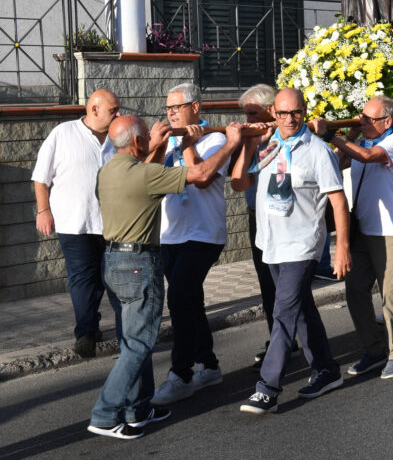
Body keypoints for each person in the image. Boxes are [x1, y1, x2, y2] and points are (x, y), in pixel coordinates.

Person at [88, 115, 241, 439]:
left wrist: (155, 147)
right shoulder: (144, 175)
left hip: (112, 261)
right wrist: (231, 142)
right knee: (138, 345)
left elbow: (147, 174)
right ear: (137, 142)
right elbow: (201, 174)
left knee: (132, 340)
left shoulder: (106, 171)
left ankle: (139, 408)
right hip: (138, 263)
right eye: (147, 135)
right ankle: (104, 415)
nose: (151, 138)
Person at [231, 89, 350, 414]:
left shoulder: (318, 151)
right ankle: (326, 369)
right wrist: (249, 145)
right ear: (273, 112)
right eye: (282, 113)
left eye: (295, 112)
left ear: (304, 111)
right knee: (300, 309)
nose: (289, 119)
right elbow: (239, 184)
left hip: (302, 244)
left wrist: (341, 247)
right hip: (271, 243)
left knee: (283, 312)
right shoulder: (267, 146)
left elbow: (338, 202)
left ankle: (267, 388)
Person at [145, 84, 228, 406]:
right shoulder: (170, 140)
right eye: (167, 108)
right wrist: (157, 145)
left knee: (179, 297)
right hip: (171, 233)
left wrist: (189, 145)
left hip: (203, 233)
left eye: (176, 107)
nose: (171, 113)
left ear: (195, 107)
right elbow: (147, 175)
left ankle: (181, 374)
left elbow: (201, 177)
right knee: (190, 301)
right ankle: (209, 364)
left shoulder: (215, 139)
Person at [320, 96, 393, 379]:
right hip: (361, 228)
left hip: (389, 231)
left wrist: (332, 136)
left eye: (370, 119)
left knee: (390, 296)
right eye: (362, 116)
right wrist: (348, 136)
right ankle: (373, 349)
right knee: (355, 291)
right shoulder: (361, 142)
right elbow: (336, 164)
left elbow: (368, 157)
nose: (363, 121)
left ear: (388, 121)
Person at [32, 89, 122, 359]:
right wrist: (43, 210)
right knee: (83, 280)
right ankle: (85, 333)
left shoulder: (119, 137)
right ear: (94, 109)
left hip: (113, 224)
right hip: (75, 223)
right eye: (113, 110)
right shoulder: (63, 134)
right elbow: (41, 178)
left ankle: (120, 330)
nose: (118, 114)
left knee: (110, 279)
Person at [238, 84, 290, 367]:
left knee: (287, 285)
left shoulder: (284, 137)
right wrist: (248, 144)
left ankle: (290, 341)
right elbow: (239, 180)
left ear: (271, 110)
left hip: (281, 218)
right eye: (246, 114)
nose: (248, 120)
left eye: (252, 113)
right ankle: (279, 338)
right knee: (267, 283)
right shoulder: (249, 139)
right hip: (256, 218)